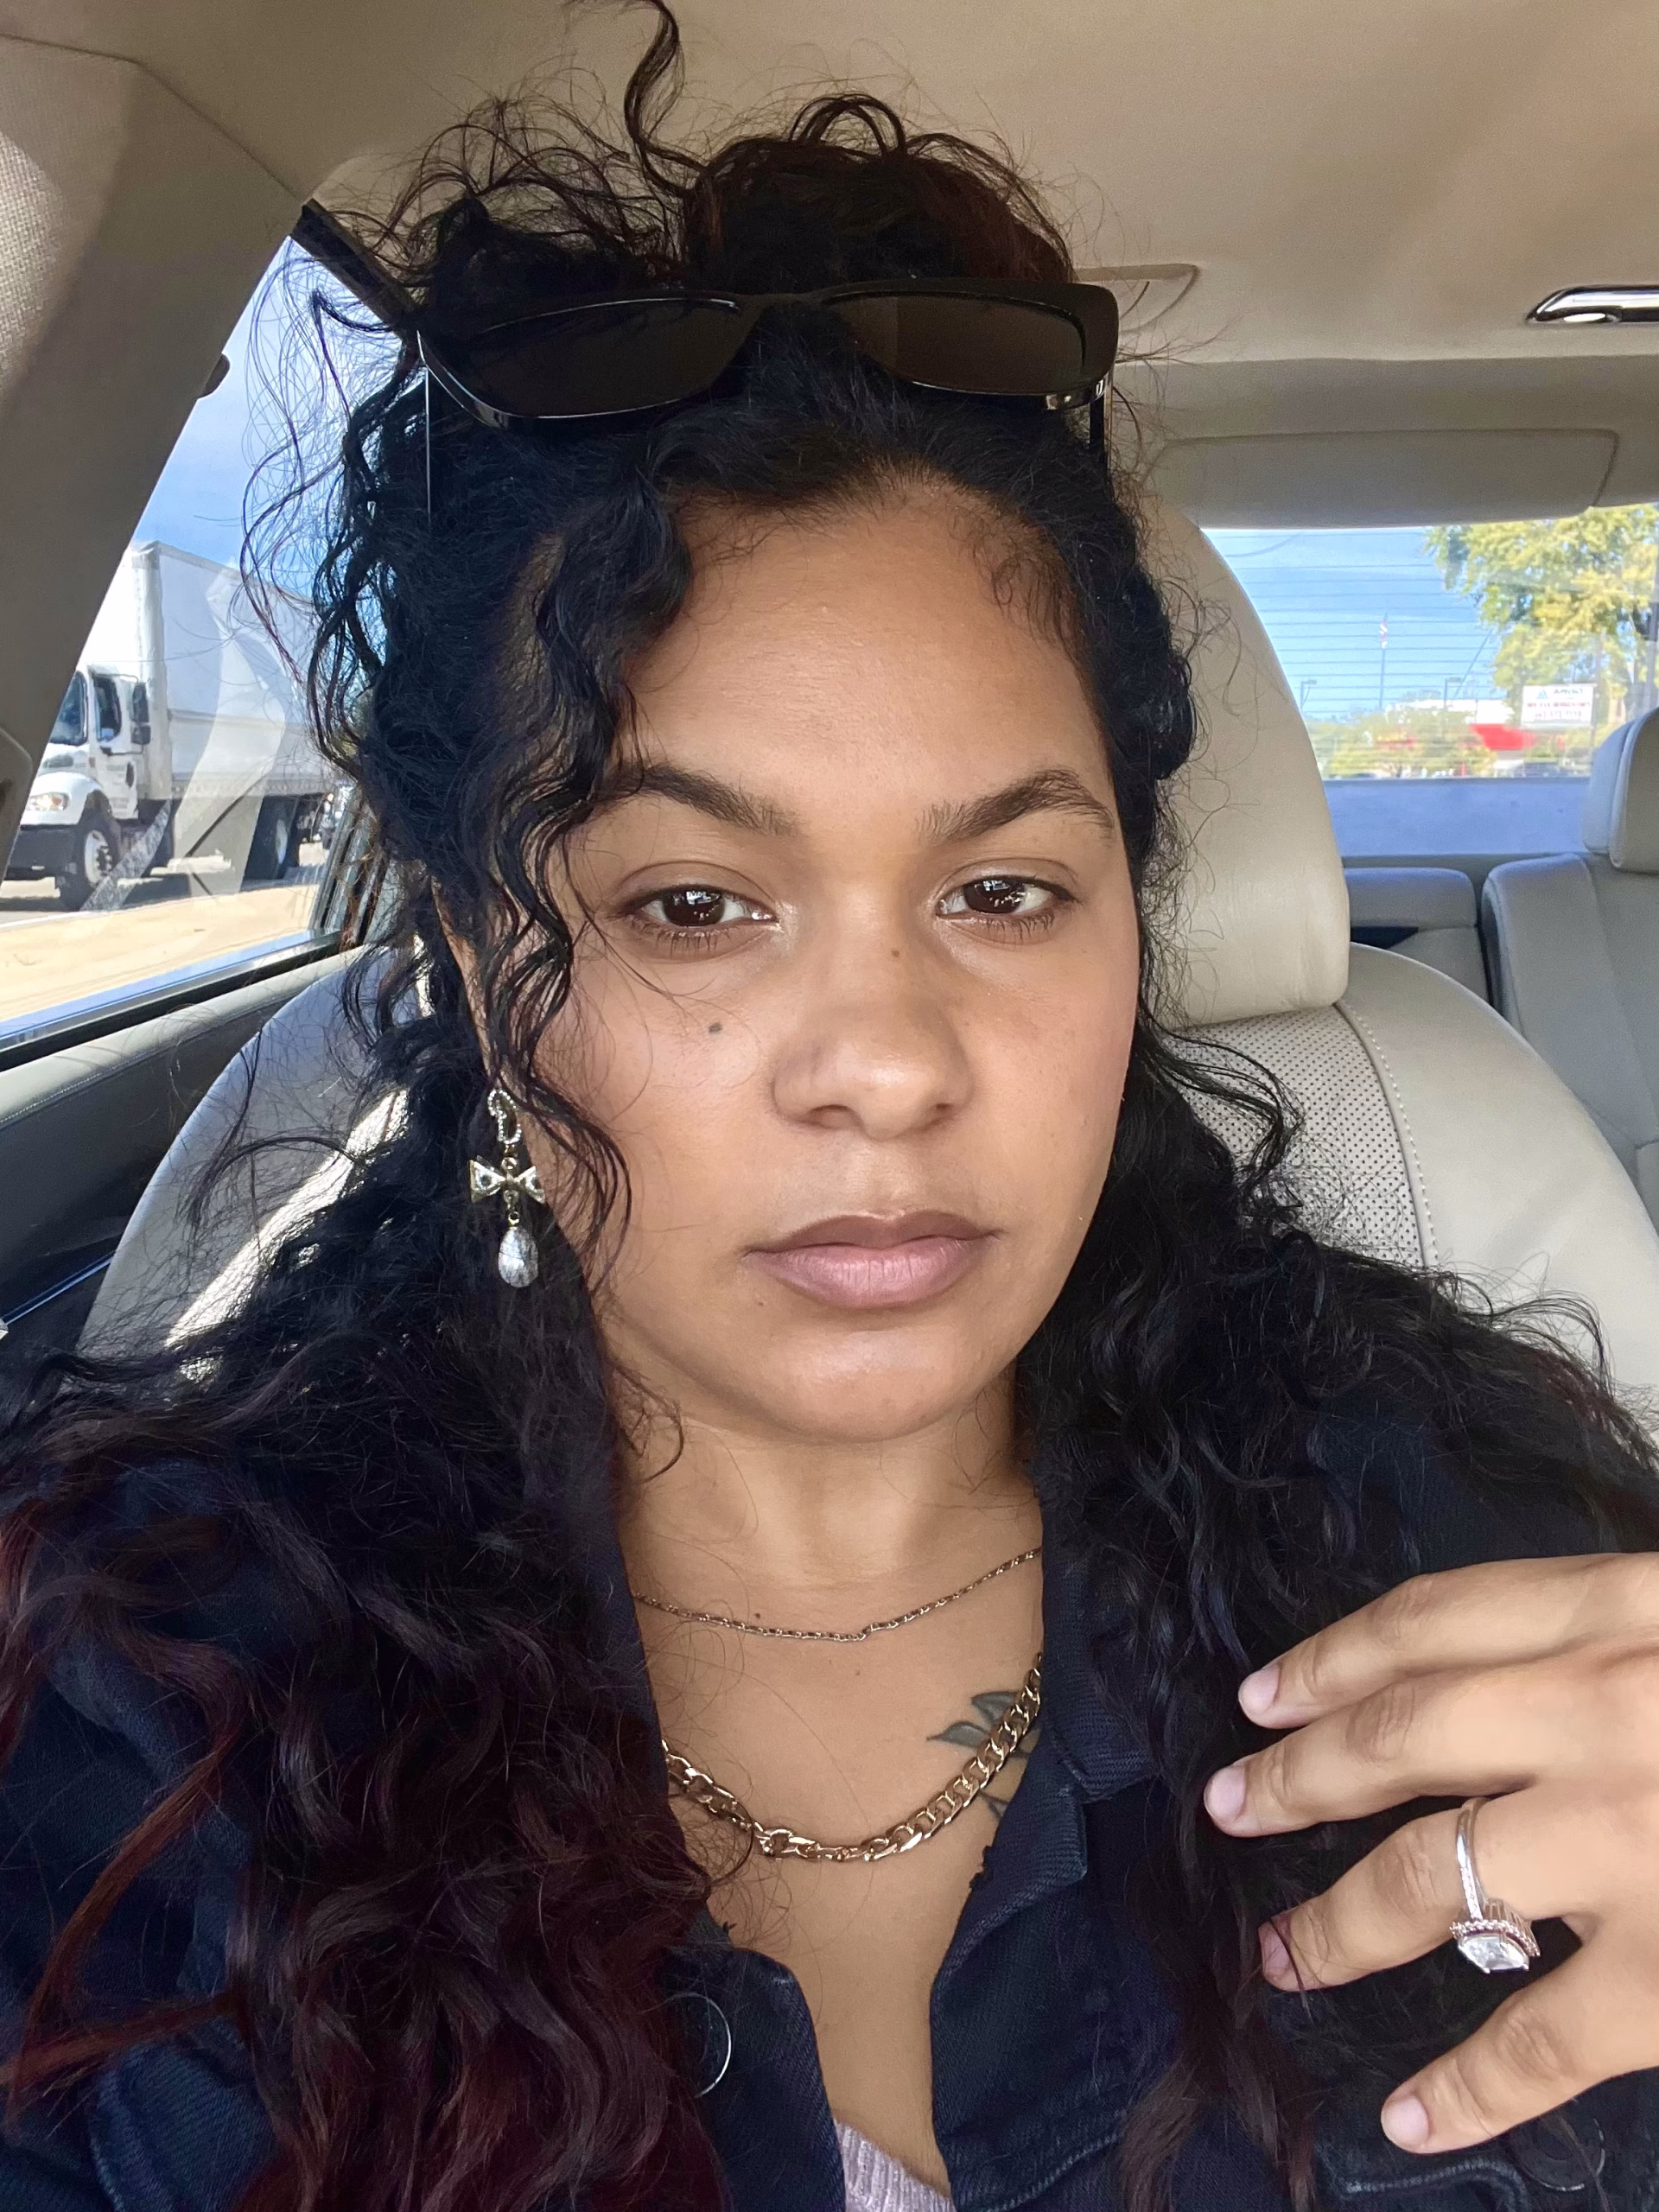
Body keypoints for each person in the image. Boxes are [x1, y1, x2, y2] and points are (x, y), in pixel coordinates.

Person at [3, 11, 1659, 2209]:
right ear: (481, 962)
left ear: (1129, 927)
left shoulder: (1494, 1544)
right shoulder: (143, 1711)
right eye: (693, 903)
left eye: (1003, 890)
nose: (886, 1059)